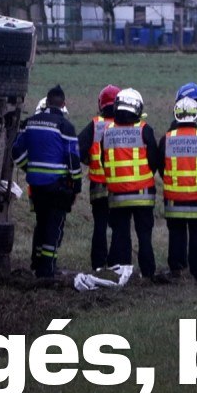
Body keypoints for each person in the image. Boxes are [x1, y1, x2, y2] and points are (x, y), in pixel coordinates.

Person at [12, 85, 82, 279]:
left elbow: (16, 151)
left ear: (47, 102)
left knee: (40, 222)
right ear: (63, 104)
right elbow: (73, 160)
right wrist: (76, 186)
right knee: (54, 225)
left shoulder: (30, 122)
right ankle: (47, 269)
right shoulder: (65, 126)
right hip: (58, 187)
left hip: (35, 186)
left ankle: (36, 262)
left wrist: (29, 168)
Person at [101, 88, 161, 280]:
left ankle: (121, 272)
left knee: (120, 235)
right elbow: (154, 161)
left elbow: (104, 161)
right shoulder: (145, 129)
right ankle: (148, 272)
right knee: (144, 236)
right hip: (143, 194)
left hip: (117, 195)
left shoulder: (107, 132)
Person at [157, 98, 197, 282]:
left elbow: (161, 168)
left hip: (174, 199)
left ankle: (177, 270)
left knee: (176, 234)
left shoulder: (166, 139)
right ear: (196, 116)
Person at [77, 85, 120, 271]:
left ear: (101, 104)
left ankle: (98, 263)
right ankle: (116, 262)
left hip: (97, 185)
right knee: (119, 226)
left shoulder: (95, 125)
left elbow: (77, 148)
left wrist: (89, 160)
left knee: (100, 225)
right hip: (119, 185)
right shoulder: (125, 125)